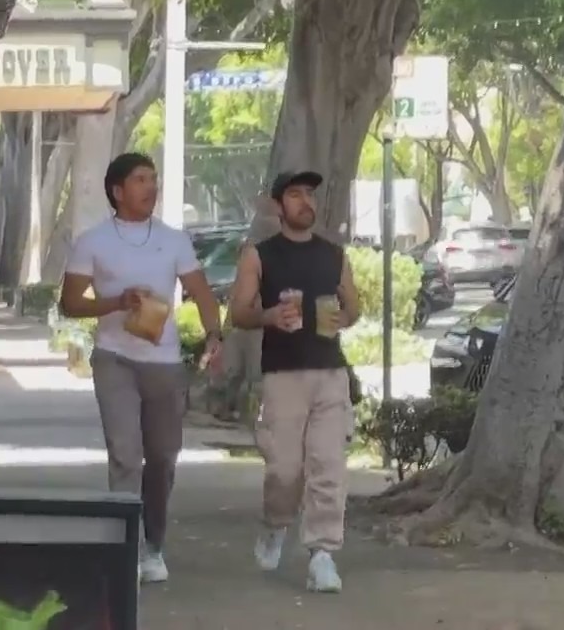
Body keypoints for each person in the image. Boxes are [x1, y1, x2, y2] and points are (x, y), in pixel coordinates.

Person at [59, 152, 224, 584]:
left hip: (164, 364)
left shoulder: (174, 240)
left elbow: (201, 292)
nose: (151, 187)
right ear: (118, 191)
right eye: (140, 180)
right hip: (115, 359)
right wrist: (118, 301)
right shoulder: (93, 241)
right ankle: (126, 546)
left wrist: (213, 334)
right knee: (126, 454)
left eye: (153, 179)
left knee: (164, 458)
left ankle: (154, 545)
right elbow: (70, 303)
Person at [229, 170, 360, 594]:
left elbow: (353, 305)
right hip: (283, 375)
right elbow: (239, 313)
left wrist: (346, 316)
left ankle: (323, 553)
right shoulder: (259, 255)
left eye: (310, 194)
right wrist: (268, 316)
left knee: (328, 467)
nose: (306, 201)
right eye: (296, 194)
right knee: (285, 471)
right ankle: (275, 524)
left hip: (329, 372)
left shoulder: (333, 254)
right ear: (277, 205)